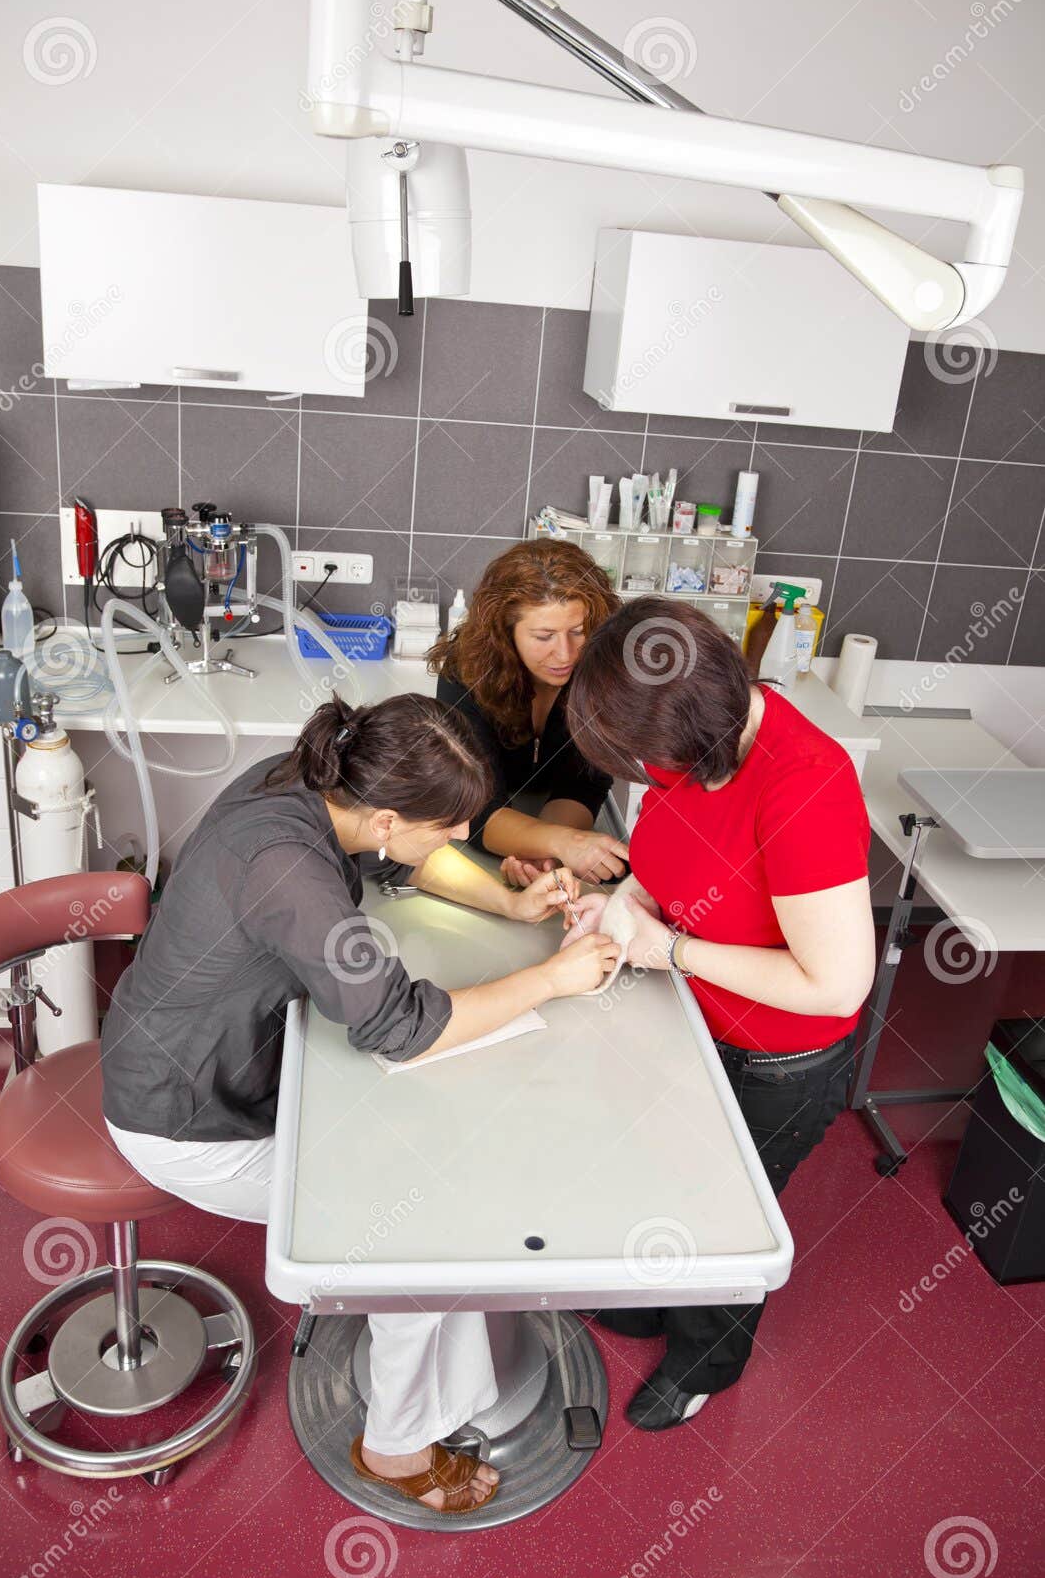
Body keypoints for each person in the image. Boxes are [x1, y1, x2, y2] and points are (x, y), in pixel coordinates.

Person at [100, 693, 619, 1512]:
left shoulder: (307, 781)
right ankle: (395, 1447)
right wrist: (553, 978)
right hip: (183, 1116)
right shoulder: (285, 867)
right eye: (447, 826)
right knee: (413, 1240)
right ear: (383, 814)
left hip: (217, 1053)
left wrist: (514, 903)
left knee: (430, 1172)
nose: (462, 843)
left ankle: (446, 1386)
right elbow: (401, 1026)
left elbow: (404, 860)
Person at [564, 599, 876, 1431]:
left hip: (781, 1061)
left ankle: (710, 1360)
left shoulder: (806, 783)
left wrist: (669, 951)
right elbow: (664, 855)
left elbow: (837, 986)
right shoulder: (686, 743)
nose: (641, 773)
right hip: (694, 1024)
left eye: (643, 759)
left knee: (730, 1217)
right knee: (667, 1174)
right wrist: (621, 905)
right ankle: (647, 1301)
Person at [429, 539, 628, 887]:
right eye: (544, 636)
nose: (565, 654)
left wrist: (548, 854)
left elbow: (583, 783)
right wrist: (561, 843)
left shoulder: (603, 674)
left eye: (578, 631)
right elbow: (475, 808)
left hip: (550, 821)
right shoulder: (467, 671)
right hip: (478, 840)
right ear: (506, 633)